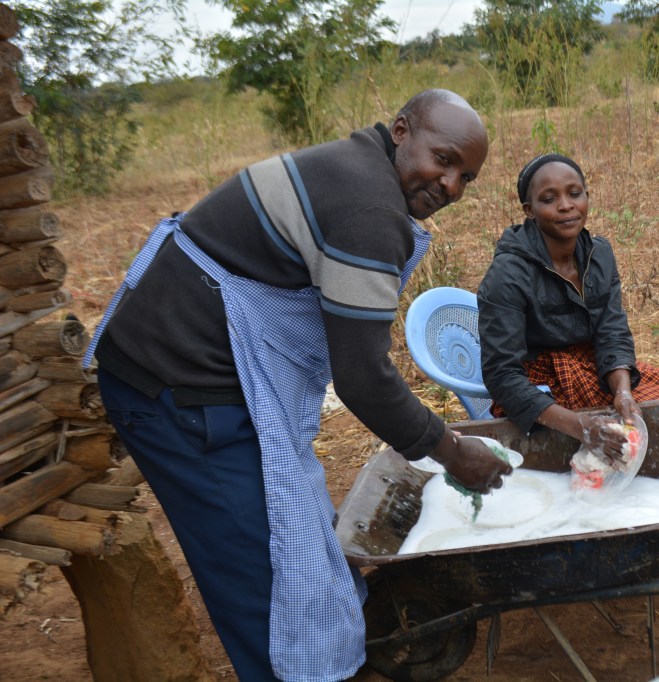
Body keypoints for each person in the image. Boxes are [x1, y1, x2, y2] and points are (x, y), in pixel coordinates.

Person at [82, 89, 513, 682]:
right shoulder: (369, 208)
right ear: (400, 130)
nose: (452, 186)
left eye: (467, 177)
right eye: (443, 160)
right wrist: (450, 450)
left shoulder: (354, 170)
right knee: (268, 580)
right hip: (177, 388)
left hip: (203, 372)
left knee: (297, 533)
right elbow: (362, 379)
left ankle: (333, 654)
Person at [477, 153, 659, 569]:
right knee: (615, 441)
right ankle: (630, 546)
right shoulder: (507, 274)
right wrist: (580, 426)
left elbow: (611, 331)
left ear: (587, 197)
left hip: (597, 369)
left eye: (575, 193)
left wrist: (623, 392)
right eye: (549, 198)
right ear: (529, 211)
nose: (565, 205)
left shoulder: (599, 255)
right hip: (540, 384)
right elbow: (501, 375)